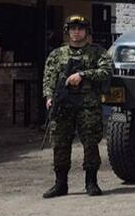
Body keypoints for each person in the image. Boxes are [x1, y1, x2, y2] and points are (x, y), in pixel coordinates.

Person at [41, 15, 111, 198]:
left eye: (80, 28)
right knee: (60, 144)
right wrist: (49, 97)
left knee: (90, 143)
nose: (76, 31)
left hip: (87, 105)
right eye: (73, 28)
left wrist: (83, 74)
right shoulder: (57, 55)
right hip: (63, 105)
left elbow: (106, 72)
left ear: (87, 32)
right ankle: (60, 184)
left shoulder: (98, 53)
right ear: (67, 31)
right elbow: (49, 78)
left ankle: (91, 182)